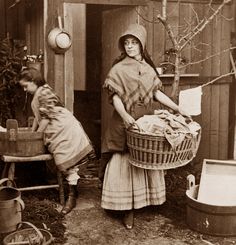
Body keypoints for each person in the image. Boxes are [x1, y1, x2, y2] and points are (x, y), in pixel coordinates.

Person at [100, 23, 189, 229]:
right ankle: (126, 209)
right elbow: (114, 97)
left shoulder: (148, 69)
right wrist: (124, 117)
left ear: (141, 45)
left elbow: (156, 93)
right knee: (124, 159)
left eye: (134, 43)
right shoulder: (118, 68)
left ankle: (144, 202)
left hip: (143, 119)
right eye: (127, 43)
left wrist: (178, 108)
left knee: (144, 157)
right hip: (124, 121)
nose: (130, 47)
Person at [19, 68, 96, 215]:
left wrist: (36, 136)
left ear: (34, 82)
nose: (24, 89)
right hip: (54, 129)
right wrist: (32, 133)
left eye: (26, 86)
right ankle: (70, 189)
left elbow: (46, 118)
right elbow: (38, 116)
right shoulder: (37, 93)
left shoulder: (45, 92)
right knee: (62, 160)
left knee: (65, 160)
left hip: (64, 128)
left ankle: (72, 197)